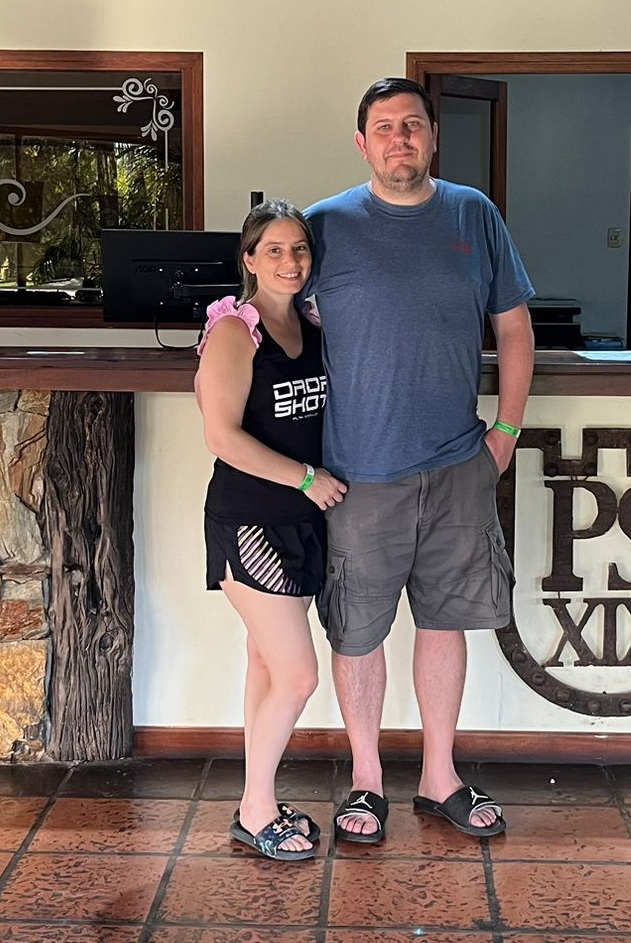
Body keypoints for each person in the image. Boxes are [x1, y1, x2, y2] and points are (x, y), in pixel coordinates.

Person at [301, 77, 535, 843]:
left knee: (444, 622)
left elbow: (514, 329)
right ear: (360, 142)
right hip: (357, 473)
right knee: (356, 631)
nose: (398, 137)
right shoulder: (323, 226)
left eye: (411, 124)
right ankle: (366, 781)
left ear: (433, 136)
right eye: (383, 126)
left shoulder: (474, 214)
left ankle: (440, 776)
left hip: (458, 463)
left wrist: (504, 432)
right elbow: (277, 329)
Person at [195, 199, 347, 861]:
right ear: (250, 260)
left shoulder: (311, 325)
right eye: (276, 250)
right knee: (297, 675)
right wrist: (306, 478)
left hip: (303, 524)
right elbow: (221, 437)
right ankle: (256, 809)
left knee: (266, 662)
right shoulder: (235, 331)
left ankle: (255, 799)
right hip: (250, 522)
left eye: (300, 249)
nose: (291, 261)